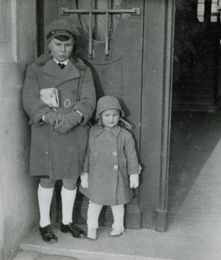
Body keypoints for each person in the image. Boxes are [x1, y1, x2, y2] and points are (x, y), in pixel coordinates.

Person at [22, 18, 96, 243]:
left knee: (71, 178)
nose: (63, 50)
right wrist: (53, 118)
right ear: (50, 44)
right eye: (58, 44)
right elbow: (30, 99)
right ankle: (45, 223)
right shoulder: (36, 68)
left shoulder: (83, 69)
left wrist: (74, 118)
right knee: (47, 178)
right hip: (47, 132)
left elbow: (88, 99)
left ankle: (66, 222)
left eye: (68, 45)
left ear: (73, 46)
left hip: (73, 131)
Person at [80, 96, 141, 240]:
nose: (111, 119)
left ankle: (118, 226)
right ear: (100, 116)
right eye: (107, 115)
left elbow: (132, 156)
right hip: (97, 175)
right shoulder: (92, 132)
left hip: (117, 175)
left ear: (120, 116)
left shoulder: (125, 135)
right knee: (95, 202)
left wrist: (134, 174)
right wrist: (84, 173)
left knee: (118, 203)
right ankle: (91, 227)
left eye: (115, 115)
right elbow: (87, 153)